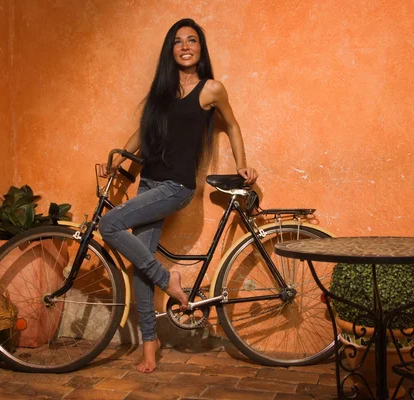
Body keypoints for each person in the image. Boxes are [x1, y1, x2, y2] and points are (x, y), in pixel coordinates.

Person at [99, 18, 258, 373]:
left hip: (176, 187)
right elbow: (140, 136)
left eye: (192, 40)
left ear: (201, 49)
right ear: (170, 50)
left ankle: (167, 280)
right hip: (149, 184)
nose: (185, 46)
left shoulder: (211, 89)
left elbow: (232, 125)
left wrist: (243, 165)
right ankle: (150, 344)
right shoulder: (161, 91)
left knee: (109, 224)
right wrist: (120, 165)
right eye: (178, 41)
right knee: (140, 268)